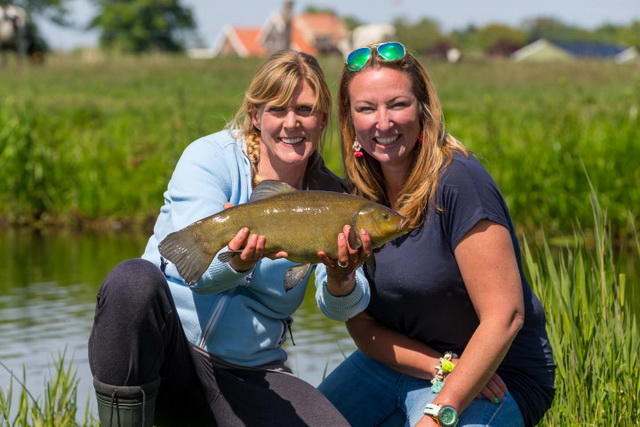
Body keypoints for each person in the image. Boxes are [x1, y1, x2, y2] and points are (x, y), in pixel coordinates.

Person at [88, 50, 372, 427]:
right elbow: (197, 276)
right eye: (277, 110)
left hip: (250, 372)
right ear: (256, 116)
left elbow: (340, 310)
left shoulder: (333, 197)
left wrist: (342, 278)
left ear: (322, 119)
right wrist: (238, 262)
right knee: (132, 281)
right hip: (169, 355)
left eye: (305, 110)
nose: (292, 123)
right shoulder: (210, 157)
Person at [315, 42, 555, 427]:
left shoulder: (459, 181)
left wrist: (442, 410)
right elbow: (361, 325)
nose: (383, 122)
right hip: (402, 365)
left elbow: (505, 316)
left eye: (397, 104)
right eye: (366, 108)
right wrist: (437, 365)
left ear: (423, 109)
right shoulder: (356, 199)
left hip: (495, 376)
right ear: (350, 119)